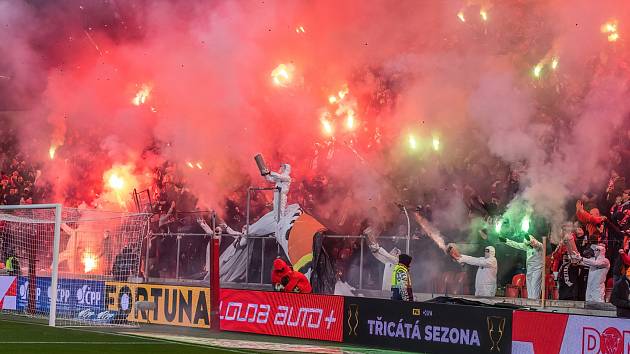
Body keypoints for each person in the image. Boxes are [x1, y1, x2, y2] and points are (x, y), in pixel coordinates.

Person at [499, 235, 543, 299]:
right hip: (530, 269)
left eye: (529, 244)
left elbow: (536, 244)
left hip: (537, 269)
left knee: (535, 285)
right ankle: (530, 300)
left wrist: (530, 240)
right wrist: (506, 241)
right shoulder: (527, 246)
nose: (528, 246)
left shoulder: (539, 246)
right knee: (529, 286)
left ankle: (535, 301)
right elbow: (516, 244)